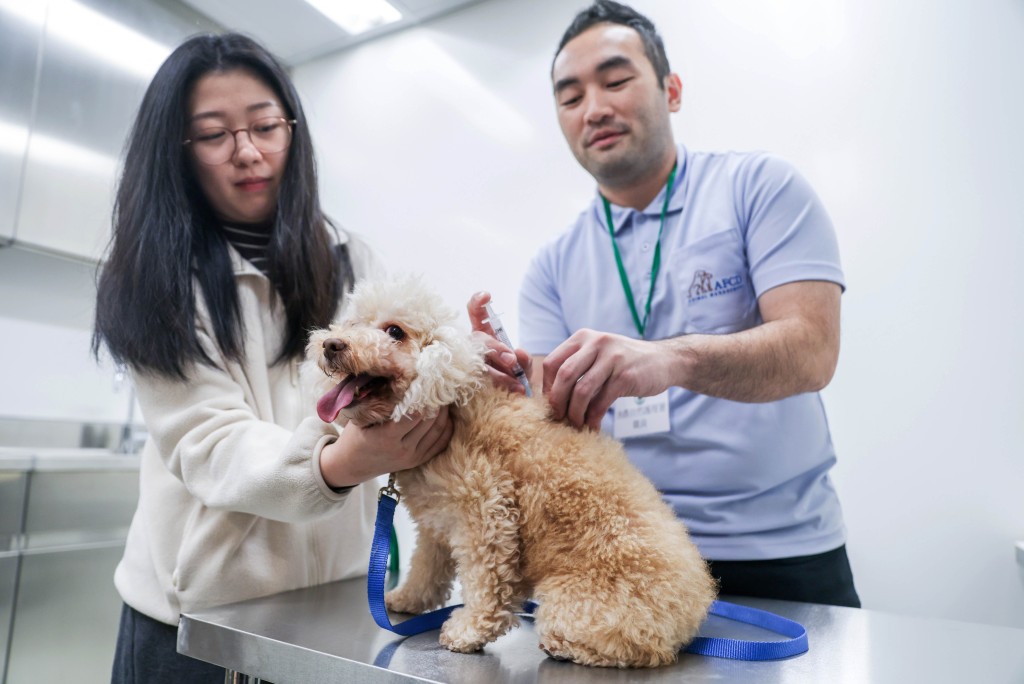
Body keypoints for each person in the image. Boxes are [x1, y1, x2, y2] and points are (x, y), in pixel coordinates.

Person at [470, 0, 859, 608]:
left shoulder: (759, 188)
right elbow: (551, 419)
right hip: (626, 551)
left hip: (782, 552)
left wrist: (669, 360)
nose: (594, 108)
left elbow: (813, 352)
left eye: (616, 80)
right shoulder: (553, 264)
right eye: (569, 98)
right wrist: (504, 392)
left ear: (671, 90)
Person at [92, 33, 453, 682]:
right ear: (175, 152)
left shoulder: (348, 257)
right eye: (213, 134)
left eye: (265, 126)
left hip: (336, 599)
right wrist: (339, 462)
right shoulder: (157, 280)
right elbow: (212, 446)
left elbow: (402, 370)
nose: (249, 152)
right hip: (198, 622)